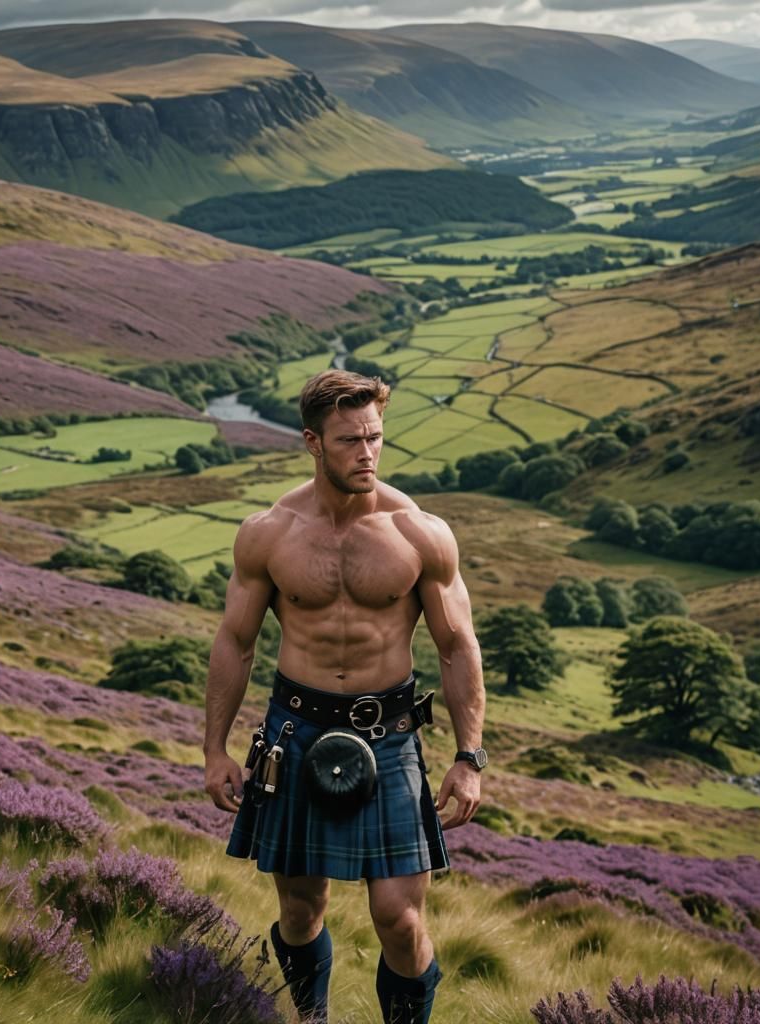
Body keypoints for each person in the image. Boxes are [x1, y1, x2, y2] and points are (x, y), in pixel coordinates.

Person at [203, 369, 486, 1024]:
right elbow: (235, 642)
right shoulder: (268, 532)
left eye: (375, 438)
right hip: (294, 735)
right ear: (312, 441)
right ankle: (312, 1018)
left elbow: (457, 646)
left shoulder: (419, 533)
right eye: (349, 440)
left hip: (389, 739)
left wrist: (470, 757)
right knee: (300, 911)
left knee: (399, 916)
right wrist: (214, 749)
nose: (366, 453)